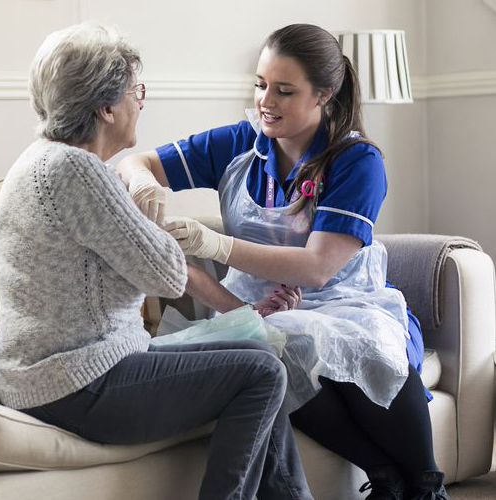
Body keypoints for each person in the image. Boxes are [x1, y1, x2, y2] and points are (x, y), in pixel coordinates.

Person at [118, 23, 449, 500]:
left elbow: (317, 267)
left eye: (284, 90)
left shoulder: (358, 161)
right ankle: (384, 473)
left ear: (324, 94)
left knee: (365, 346)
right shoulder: (240, 144)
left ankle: (427, 482)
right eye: (260, 85)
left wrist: (215, 245)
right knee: (273, 351)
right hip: (255, 301)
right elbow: (137, 160)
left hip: (343, 299)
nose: (265, 101)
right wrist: (143, 181)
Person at [0, 22, 315, 500]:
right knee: (262, 373)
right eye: (133, 92)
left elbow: (158, 264)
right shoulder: (77, 172)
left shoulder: (42, 161)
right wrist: (150, 210)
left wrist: (240, 310)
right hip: (76, 382)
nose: (139, 102)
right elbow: (165, 273)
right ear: (105, 108)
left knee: (263, 357)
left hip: (69, 370)